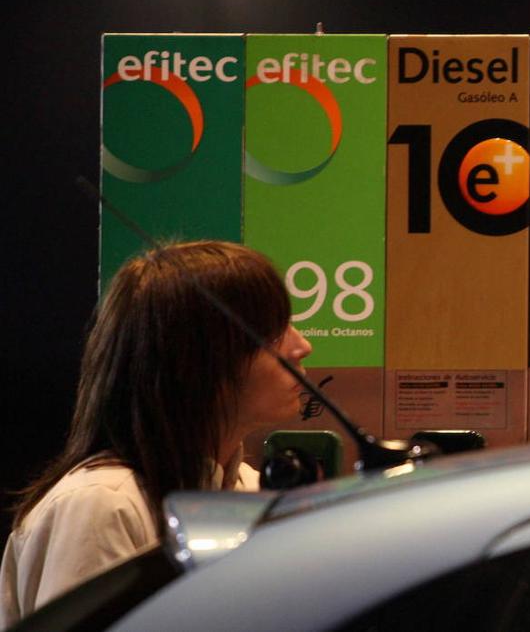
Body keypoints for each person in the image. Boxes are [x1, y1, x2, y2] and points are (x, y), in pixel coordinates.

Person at [1, 241, 312, 625]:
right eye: (273, 332)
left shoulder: (247, 489)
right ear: (200, 361)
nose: (303, 346)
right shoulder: (101, 505)